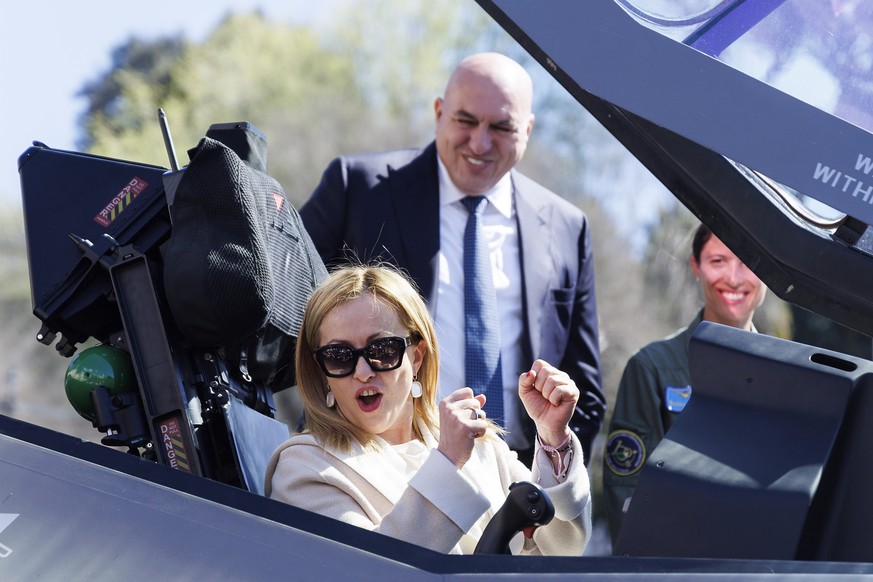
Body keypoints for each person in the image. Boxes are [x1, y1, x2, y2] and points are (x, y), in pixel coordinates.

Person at [299, 52, 604, 466]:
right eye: (466, 121)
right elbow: (291, 324)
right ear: (439, 112)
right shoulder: (360, 190)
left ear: (527, 129)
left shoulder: (568, 227)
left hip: (515, 483)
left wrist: (547, 485)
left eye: (501, 127)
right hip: (378, 467)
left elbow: (582, 387)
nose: (480, 143)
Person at [264, 265, 592, 555]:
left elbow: (561, 549)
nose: (363, 371)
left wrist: (553, 440)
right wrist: (447, 461)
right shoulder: (303, 468)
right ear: (322, 370)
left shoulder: (480, 446)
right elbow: (366, 571)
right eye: (339, 356)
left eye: (382, 350)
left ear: (417, 356)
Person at [602, 224, 767, 545]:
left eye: (748, 263)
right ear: (696, 268)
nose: (734, 278)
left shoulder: (793, 377)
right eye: (718, 261)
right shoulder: (651, 368)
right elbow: (626, 490)